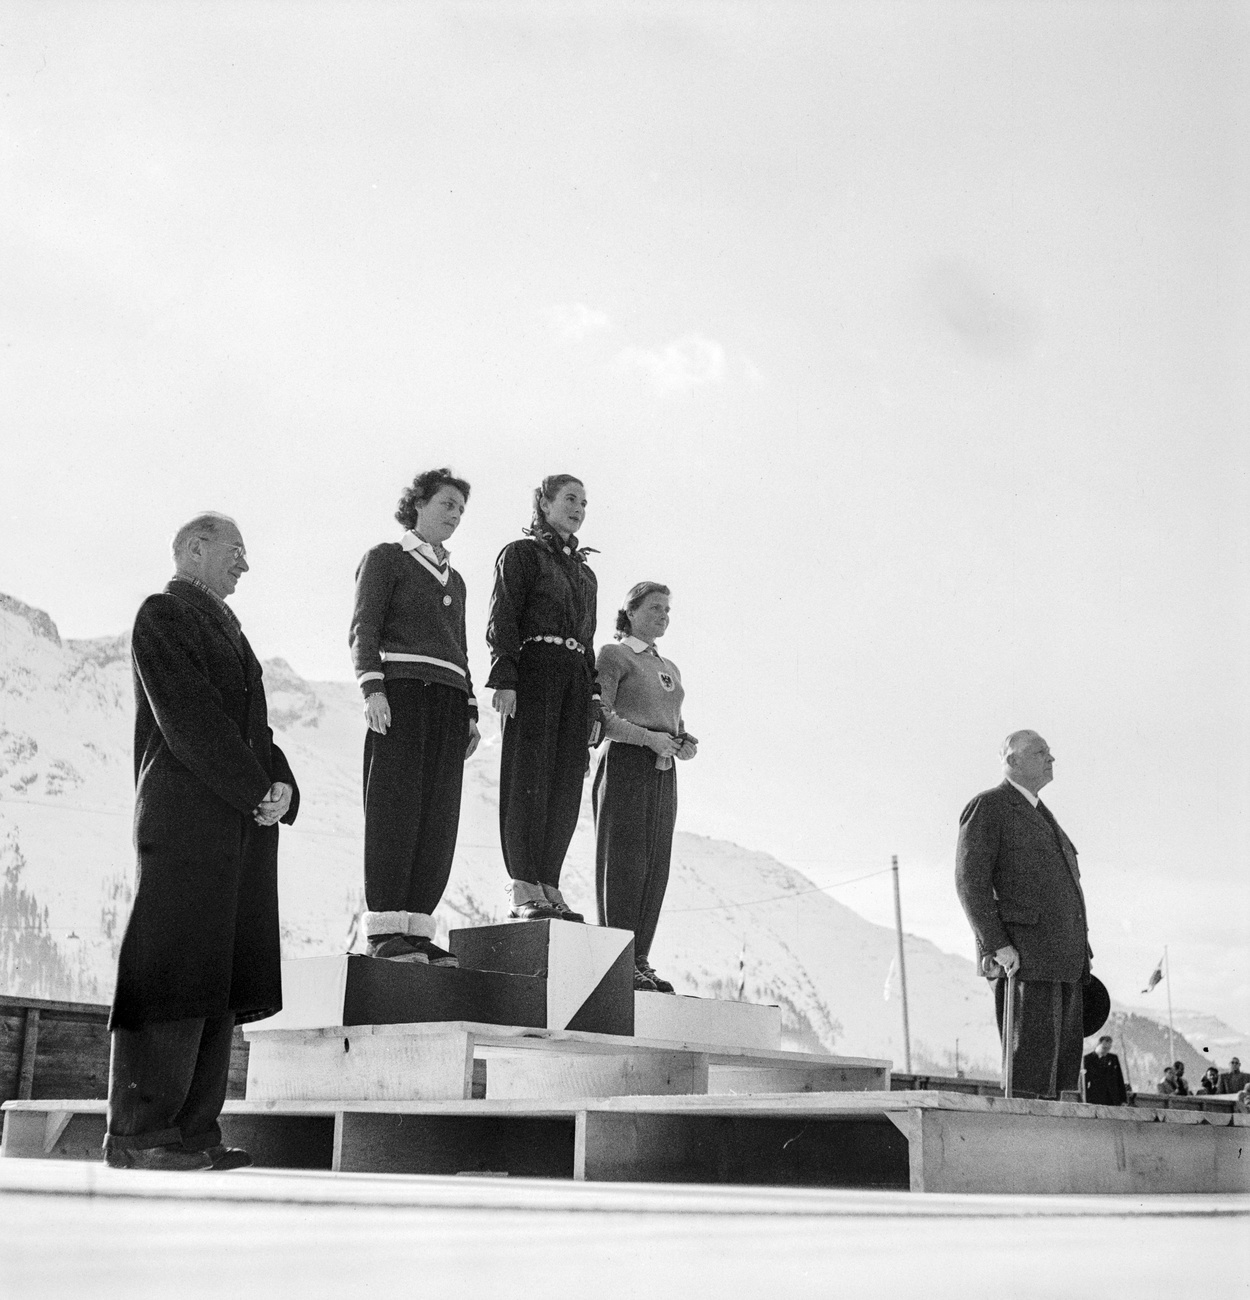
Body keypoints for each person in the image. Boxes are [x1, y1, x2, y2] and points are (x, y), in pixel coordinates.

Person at [106, 513, 299, 1171]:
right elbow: (188, 718)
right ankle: (139, 1135)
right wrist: (254, 787)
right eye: (235, 551)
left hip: (235, 824)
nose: (245, 564)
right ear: (194, 549)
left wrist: (281, 786)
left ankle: (193, 1132)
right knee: (173, 972)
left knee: (217, 977)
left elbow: (255, 729)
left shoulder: (230, 634)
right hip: (185, 821)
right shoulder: (163, 615)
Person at [350, 469, 480, 964]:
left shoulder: (458, 579)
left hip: (448, 702)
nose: (455, 516)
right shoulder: (387, 558)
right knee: (395, 809)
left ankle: (417, 930)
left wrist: (469, 709)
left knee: (438, 816)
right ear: (419, 503)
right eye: (447, 504)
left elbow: (461, 649)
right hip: (402, 693)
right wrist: (372, 688)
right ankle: (385, 930)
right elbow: (365, 627)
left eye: (461, 511)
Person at [486, 474, 601, 921]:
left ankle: (549, 882)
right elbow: (504, 616)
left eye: (584, 503)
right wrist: (505, 678)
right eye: (570, 499)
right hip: (534, 670)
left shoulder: (586, 574)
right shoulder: (521, 554)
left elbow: (588, 641)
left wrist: (592, 700)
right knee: (528, 776)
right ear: (545, 503)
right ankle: (522, 884)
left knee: (567, 780)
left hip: (574, 678)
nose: (578, 508)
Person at [955, 730, 1092, 1100]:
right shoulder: (990, 807)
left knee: (1063, 1079)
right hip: (1024, 960)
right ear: (1012, 761)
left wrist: (1084, 953)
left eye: (1050, 752)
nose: (1051, 758)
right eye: (1040, 752)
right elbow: (970, 883)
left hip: (1064, 962)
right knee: (1029, 1076)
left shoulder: (1044, 817)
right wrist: (997, 944)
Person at [593, 583, 698, 993]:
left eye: (668, 609)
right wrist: (647, 738)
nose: (664, 616)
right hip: (626, 762)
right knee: (624, 863)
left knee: (655, 864)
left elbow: (673, 720)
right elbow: (602, 715)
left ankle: (640, 958)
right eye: (655, 607)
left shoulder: (669, 666)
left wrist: (683, 740)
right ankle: (618, 959)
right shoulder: (614, 655)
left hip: (663, 768)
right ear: (630, 611)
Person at [1082, 1035, 1128, 1106]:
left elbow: (1119, 1079)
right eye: (1104, 1048)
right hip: (1095, 1097)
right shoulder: (1087, 1059)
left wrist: (1123, 1099)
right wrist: (1084, 1099)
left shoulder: (1113, 1059)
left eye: (1108, 1048)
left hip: (1112, 1098)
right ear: (1098, 1045)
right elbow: (1084, 1080)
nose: (1106, 1050)